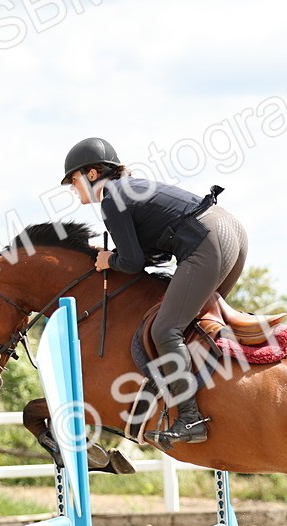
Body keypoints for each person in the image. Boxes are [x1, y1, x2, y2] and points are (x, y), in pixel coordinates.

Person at [62, 137, 248, 447]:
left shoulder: (112, 198)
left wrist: (110, 260)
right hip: (232, 232)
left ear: (92, 174)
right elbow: (155, 255)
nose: (72, 188)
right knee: (195, 325)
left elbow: (133, 263)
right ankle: (220, 398)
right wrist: (118, 257)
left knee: (166, 329)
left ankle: (191, 419)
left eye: (73, 180)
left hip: (208, 240)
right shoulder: (133, 188)